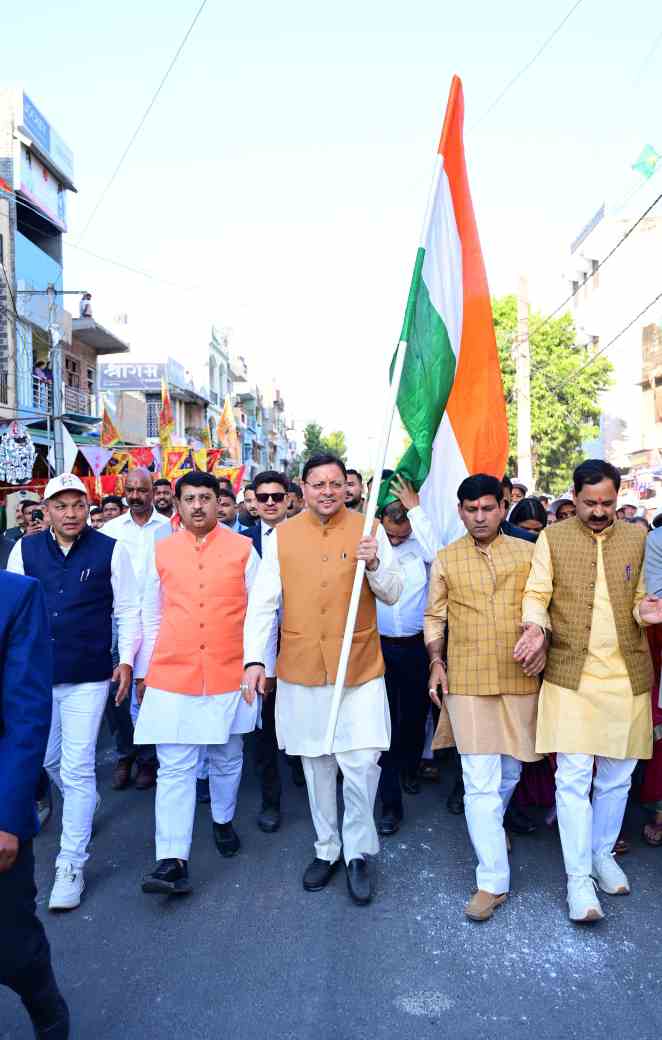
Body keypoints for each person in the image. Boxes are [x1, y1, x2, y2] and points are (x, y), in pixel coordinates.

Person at [243, 453, 403, 905]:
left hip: (360, 667)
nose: (328, 491)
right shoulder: (282, 535)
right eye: (318, 484)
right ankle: (327, 848)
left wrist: (375, 564)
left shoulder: (369, 528)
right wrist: (255, 660)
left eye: (335, 483)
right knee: (316, 765)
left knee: (362, 763)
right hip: (303, 667)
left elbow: (394, 592)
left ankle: (357, 852)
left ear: (347, 487)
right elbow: (263, 603)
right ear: (303, 487)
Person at [517, 459, 661, 923]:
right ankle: (578, 879)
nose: (599, 511)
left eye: (607, 503)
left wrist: (646, 613)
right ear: (574, 497)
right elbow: (536, 594)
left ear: (617, 498)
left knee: (617, 776)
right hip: (570, 674)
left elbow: (641, 599)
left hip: (625, 675)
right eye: (590, 503)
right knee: (573, 779)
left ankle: (602, 855)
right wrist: (535, 628)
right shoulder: (553, 538)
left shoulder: (637, 538)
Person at [7, 474, 140, 911]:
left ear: (87, 508)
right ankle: (86, 802)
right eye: (61, 506)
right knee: (47, 760)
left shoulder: (110, 550)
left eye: (78, 505)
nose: (70, 513)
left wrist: (126, 660)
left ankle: (71, 864)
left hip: (88, 675)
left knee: (78, 767)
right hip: (36, 677)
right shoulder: (25, 550)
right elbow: (10, 610)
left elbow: (127, 609)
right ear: (46, 511)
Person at [133, 472, 264, 896]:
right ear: (177, 503)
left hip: (230, 671)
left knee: (227, 756)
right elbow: (150, 614)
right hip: (173, 672)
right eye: (189, 499)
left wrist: (259, 665)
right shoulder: (161, 551)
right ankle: (172, 859)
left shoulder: (243, 549)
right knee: (175, 767)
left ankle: (223, 820)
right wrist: (143, 670)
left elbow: (261, 614)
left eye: (205, 498)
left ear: (218, 501)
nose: (197, 506)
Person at [424, 474, 541, 922]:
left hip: (519, 676)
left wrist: (541, 637)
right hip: (468, 679)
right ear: (460, 511)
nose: (479, 517)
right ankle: (492, 880)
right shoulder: (446, 558)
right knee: (479, 781)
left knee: (510, 772)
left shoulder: (529, 553)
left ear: (503, 507)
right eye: (471, 510)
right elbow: (434, 616)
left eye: (488, 508)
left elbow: (544, 607)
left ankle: (492, 826)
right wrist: (436, 660)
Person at [0, 570, 70, 1039]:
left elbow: (25, 717)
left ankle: (47, 1011)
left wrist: (8, 819)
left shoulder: (14, 596)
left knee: (12, 948)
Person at [376, 475, 438, 836]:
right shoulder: (372, 543)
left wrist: (416, 512)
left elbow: (440, 557)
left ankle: (410, 767)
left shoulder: (421, 544)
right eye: (391, 534)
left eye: (402, 535)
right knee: (384, 721)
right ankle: (389, 800)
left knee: (414, 715)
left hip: (416, 645)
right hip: (377, 646)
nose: (397, 541)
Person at [102, 469, 169, 791]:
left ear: (153, 492)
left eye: (142, 490)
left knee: (151, 692)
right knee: (118, 692)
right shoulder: (111, 530)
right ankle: (125, 754)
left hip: (160, 621)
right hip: (119, 620)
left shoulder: (169, 528)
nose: (135, 496)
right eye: (130, 489)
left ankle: (148, 759)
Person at [242, 470, 290, 832]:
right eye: (263, 497)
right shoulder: (241, 543)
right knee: (265, 728)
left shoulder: (304, 535)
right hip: (258, 644)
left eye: (277, 496)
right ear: (253, 503)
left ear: (289, 499)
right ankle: (271, 801)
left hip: (300, 640)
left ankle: (303, 769)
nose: (270, 503)